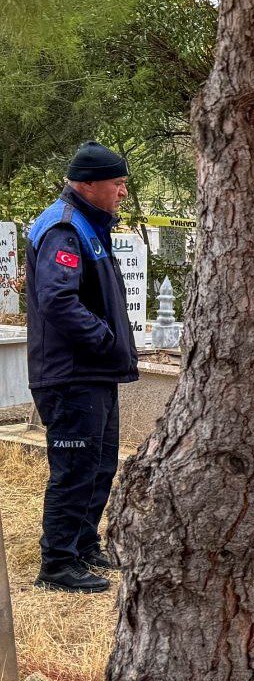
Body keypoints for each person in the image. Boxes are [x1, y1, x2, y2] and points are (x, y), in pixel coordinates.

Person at [25, 142, 140, 593]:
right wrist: (104, 340)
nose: (122, 192)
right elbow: (58, 299)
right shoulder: (64, 227)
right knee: (74, 468)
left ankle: (83, 545)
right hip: (71, 374)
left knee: (99, 465)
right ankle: (57, 564)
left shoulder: (87, 224)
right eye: (117, 183)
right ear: (88, 184)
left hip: (94, 373)